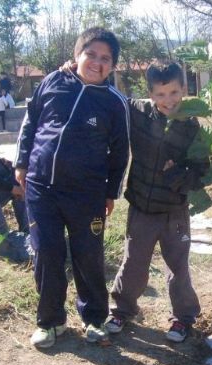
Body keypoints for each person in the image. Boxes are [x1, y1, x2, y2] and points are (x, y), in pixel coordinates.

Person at [16, 27, 130, 348]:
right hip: (41, 189)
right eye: (90, 54)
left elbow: (121, 152)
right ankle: (51, 322)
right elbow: (31, 123)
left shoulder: (114, 103)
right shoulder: (52, 82)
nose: (96, 62)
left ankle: (94, 318)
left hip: (87, 196)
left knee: (88, 256)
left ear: (112, 66)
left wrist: (111, 193)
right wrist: (22, 163)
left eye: (105, 58)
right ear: (77, 55)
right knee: (47, 253)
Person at [103, 61, 208, 343]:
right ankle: (123, 309)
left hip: (174, 211)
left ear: (184, 90)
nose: (168, 101)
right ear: (150, 94)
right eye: (160, 95)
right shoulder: (138, 113)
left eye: (174, 92)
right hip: (141, 207)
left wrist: (179, 175)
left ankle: (183, 318)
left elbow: (201, 171)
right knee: (134, 261)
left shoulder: (192, 126)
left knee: (178, 266)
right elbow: (113, 98)